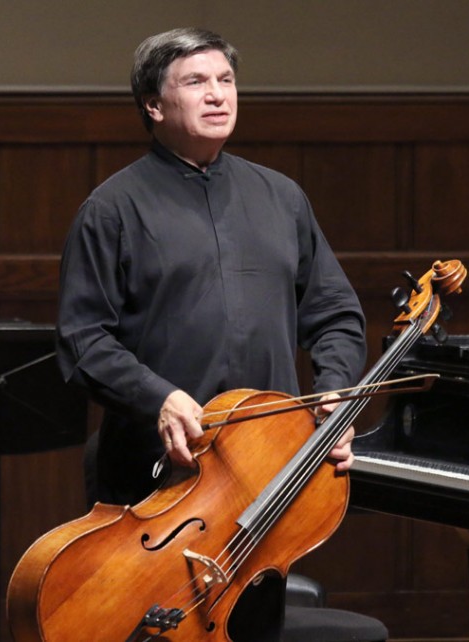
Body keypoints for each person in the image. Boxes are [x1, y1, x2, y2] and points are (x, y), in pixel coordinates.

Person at [56, 27, 367, 508]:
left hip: (269, 464)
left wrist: (333, 394)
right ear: (153, 106)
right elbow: (83, 340)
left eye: (226, 80)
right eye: (196, 82)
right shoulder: (111, 209)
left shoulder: (282, 197)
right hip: (157, 470)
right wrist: (157, 397)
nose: (218, 95)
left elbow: (335, 315)